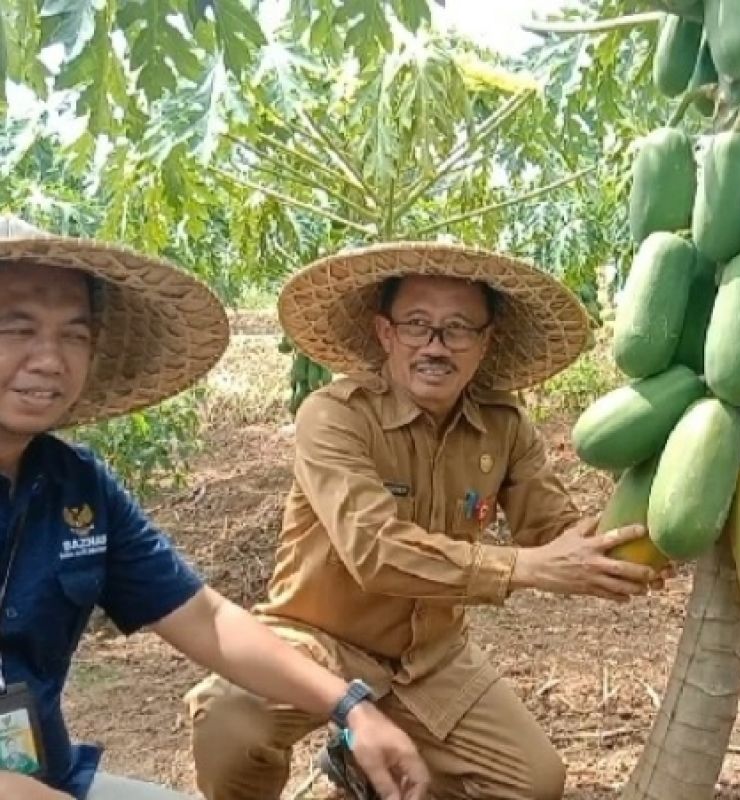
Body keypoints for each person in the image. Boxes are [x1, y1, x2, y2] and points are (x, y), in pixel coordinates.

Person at [185, 241, 667, 800]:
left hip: (430, 658)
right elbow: (375, 550)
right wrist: (523, 569)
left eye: (459, 328)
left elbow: (554, 528)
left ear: (486, 344)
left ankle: (368, 768)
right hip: (318, 641)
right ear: (385, 334)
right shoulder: (334, 418)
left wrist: (648, 536)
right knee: (230, 719)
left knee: (533, 784)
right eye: (417, 325)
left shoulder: (503, 425)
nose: (436, 346)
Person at [0, 216, 430, 800]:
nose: (49, 359)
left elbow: (205, 619)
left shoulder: (75, 487)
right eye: (16, 328)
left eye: (74, 334)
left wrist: (351, 707)